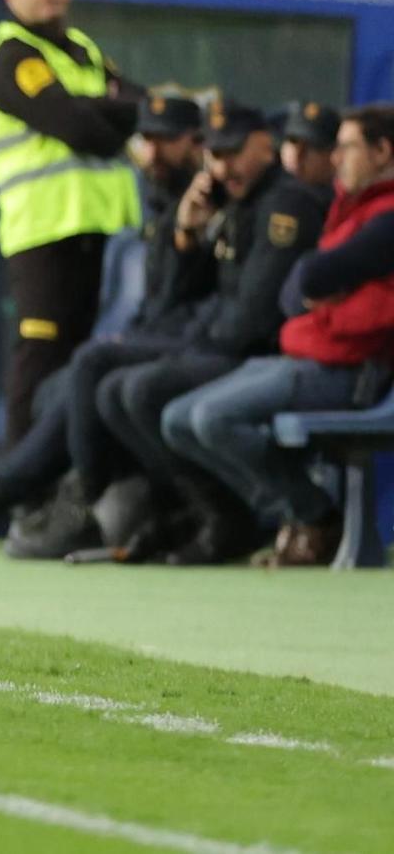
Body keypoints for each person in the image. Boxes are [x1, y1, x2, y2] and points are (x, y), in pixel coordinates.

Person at [0, 95, 211, 558]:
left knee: (93, 368)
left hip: (196, 343)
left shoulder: (211, 205)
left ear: (196, 145)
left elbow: (209, 304)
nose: (152, 153)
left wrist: (186, 240)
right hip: (164, 337)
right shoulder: (164, 207)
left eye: (167, 141)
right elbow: (165, 299)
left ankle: (72, 505)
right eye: (148, 141)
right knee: (59, 387)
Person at [94, 103, 331, 564]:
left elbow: (256, 315)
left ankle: (233, 516)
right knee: (113, 388)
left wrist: (189, 349)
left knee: (146, 392)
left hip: (256, 351)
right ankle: (200, 511)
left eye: (234, 153)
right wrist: (186, 233)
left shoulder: (286, 204)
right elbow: (170, 299)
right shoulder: (229, 203)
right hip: (216, 342)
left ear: (264, 147)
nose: (223, 167)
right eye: (215, 155)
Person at [161, 104, 394, 567]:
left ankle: (315, 516)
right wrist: (320, 288)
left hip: (350, 370)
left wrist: (321, 289)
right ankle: (302, 512)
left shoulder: (387, 217)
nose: (335, 158)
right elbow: (297, 289)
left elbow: (313, 276)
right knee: (177, 419)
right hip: (303, 354)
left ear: (383, 151)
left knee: (211, 418)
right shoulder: (348, 208)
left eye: (346, 147)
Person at [0, 0, 141, 447]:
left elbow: (140, 103)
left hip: (99, 227)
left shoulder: (82, 48)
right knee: (40, 359)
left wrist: (93, 107)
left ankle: (66, 471)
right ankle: (20, 479)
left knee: (84, 361)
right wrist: (103, 109)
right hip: (44, 233)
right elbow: (77, 126)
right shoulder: (10, 56)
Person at [280, 100, 340, 191]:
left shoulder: (338, 197)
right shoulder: (265, 187)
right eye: (293, 141)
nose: (298, 154)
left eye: (311, 147)